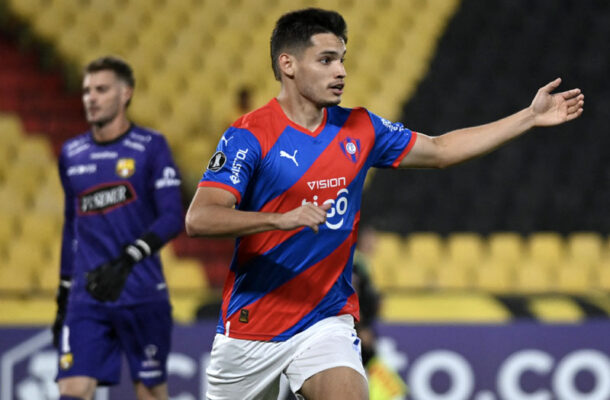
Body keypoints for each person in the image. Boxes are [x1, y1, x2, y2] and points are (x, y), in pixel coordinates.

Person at [184, 8, 584, 400]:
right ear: (287, 64)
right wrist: (278, 219)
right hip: (253, 325)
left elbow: (441, 150)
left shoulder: (361, 126)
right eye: (326, 60)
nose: (340, 71)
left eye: (342, 60)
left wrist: (528, 118)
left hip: (325, 317)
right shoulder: (248, 135)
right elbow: (200, 218)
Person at [52, 56, 183, 400]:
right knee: (72, 390)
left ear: (126, 93)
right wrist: (64, 293)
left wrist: (127, 259)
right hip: (88, 297)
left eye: (101, 89)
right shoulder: (71, 153)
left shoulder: (151, 146)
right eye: (86, 91)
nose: (90, 98)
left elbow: (173, 217)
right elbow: (72, 225)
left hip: (141, 292)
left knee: (151, 393)